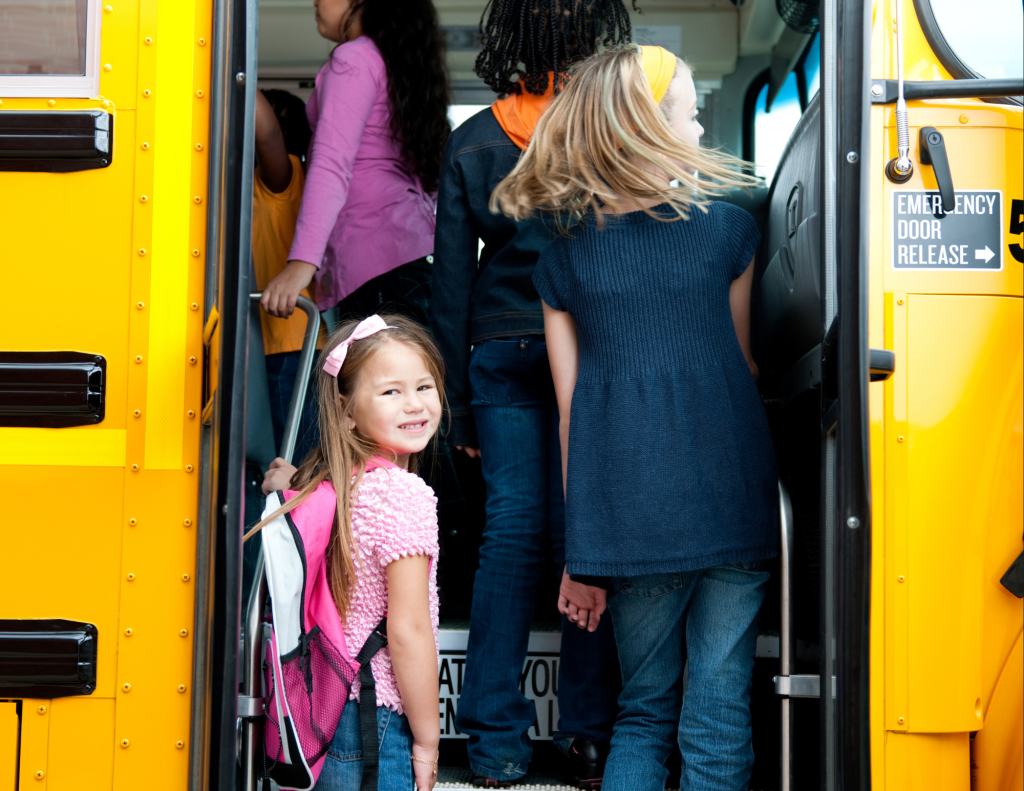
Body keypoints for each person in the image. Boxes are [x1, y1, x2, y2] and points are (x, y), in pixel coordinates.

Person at [490, 45, 778, 791]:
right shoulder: (729, 233)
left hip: (631, 517)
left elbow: (569, 416)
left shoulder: (564, 262)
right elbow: (742, 368)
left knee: (644, 711)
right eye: (688, 111)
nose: (698, 124)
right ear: (649, 127)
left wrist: (579, 555)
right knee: (718, 710)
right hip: (734, 498)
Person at [430, 1, 635, 786]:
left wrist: (456, 405)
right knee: (583, 529)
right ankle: (586, 737)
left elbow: (449, 286)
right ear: (591, 35)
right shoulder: (605, 130)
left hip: (497, 346)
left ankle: (494, 742)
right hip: (587, 342)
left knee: (509, 532)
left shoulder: (474, 138)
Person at [259, 314, 446, 791]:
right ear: (346, 411)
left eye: (425, 387)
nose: (415, 404)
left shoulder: (332, 485)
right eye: (391, 392)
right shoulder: (403, 497)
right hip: (374, 722)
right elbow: (407, 633)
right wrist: (427, 740)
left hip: (324, 712)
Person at [259, 0, 450, 327]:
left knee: (379, 378)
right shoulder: (398, 64)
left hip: (375, 261)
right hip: (414, 254)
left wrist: (302, 264)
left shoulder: (354, 58)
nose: (316, 1)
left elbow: (331, 163)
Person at [253, 87, 326, 463]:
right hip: (267, 346)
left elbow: (267, 134)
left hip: (290, 346)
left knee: (291, 464)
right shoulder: (236, 185)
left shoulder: (285, 178)